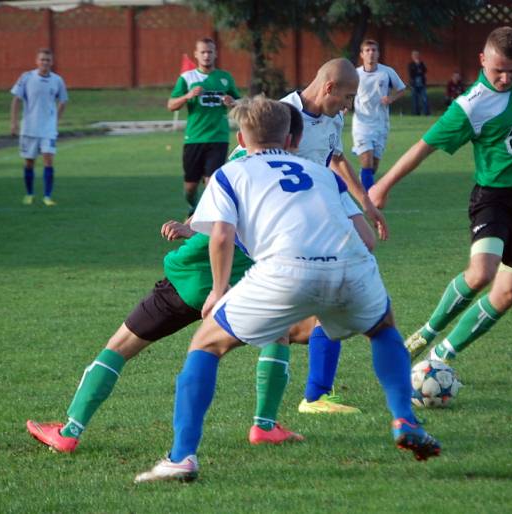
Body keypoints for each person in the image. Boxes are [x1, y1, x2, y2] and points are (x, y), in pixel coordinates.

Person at [134, 97, 440, 483]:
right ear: (293, 138)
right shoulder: (323, 173)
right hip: (352, 265)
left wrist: (219, 289)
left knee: (206, 345)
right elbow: (367, 240)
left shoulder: (231, 173)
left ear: (242, 137)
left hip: (284, 269)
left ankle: (181, 457)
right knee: (382, 329)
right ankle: (404, 418)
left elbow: (221, 235)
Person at [26, 106, 318, 452]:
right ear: (293, 140)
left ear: (245, 137)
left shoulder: (239, 163)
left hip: (191, 279)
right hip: (237, 283)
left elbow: (220, 217)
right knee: (278, 332)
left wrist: (191, 227)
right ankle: (264, 425)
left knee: (119, 348)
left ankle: (70, 430)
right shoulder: (303, 175)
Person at [369, 26, 512, 365]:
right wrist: (383, 185)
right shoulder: (470, 105)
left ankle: (439, 358)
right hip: (493, 198)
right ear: (482, 60)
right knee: (482, 272)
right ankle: (427, 332)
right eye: (497, 71)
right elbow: (425, 146)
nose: (506, 78)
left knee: (509, 292)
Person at [278, 58, 388, 415]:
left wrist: (365, 202)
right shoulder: (282, 115)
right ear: (328, 88)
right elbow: (243, 159)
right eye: (346, 97)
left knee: (366, 247)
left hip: (327, 191)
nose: (348, 106)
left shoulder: (333, 115)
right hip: (297, 205)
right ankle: (315, 390)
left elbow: (336, 156)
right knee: (340, 285)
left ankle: (305, 334)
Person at [168, 38, 241, 215]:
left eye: (210, 52)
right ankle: (193, 206)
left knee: (211, 182)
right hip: (194, 137)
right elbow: (171, 105)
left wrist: (232, 102)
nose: (206, 55)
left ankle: (204, 217)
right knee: (190, 187)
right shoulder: (187, 78)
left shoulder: (225, 78)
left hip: (218, 137)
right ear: (196, 54)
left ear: (215, 54)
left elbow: (239, 103)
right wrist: (187, 96)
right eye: (203, 52)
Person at [10, 48, 68, 207]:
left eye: (48, 60)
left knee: (48, 160)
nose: (45, 62)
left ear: (52, 62)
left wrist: (55, 120)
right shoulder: (26, 77)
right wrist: (14, 122)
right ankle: (29, 194)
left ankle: (47, 196)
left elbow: (63, 101)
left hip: (48, 129)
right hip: (29, 127)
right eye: (42, 59)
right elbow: (16, 100)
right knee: (29, 162)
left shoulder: (57, 80)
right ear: (37, 61)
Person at [351, 39, 407, 191]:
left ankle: (364, 178)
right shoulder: (355, 74)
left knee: (373, 165)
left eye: (374, 50)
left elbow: (402, 89)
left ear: (378, 54)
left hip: (381, 124)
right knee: (367, 160)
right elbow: (347, 93)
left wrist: (391, 98)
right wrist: (344, 107)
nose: (371, 53)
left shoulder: (386, 72)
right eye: (367, 50)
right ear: (362, 54)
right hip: (361, 124)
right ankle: (369, 197)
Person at [408, 50, 429, 116]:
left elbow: (425, 70)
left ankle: (426, 113)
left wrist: (419, 65)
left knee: (424, 98)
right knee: (415, 99)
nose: (416, 57)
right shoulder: (410, 64)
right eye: (414, 55)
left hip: (422, 83)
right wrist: (417, 68)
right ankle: (416, 113)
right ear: (412, 57)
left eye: (417, 55)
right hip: (414, 84)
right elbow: (411, 73)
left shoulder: (421, 63)